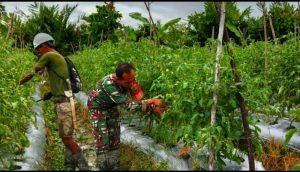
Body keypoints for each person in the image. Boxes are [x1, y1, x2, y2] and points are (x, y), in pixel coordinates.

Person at [18, 33, 89, 170]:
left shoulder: (49, 55)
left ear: (44, 46)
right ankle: (70, 165)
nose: (38, 52)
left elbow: (32, 72)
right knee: (67, 137)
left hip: (64, 104)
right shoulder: (58, 56)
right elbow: (62, 81)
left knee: (67, 139)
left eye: (38, 49)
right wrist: (51, 93)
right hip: (66, 101)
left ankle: (84, 167)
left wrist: (17, 84)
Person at [87, 62, 167, 170]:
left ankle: (115, 167)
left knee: (114, 140)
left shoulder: (130, 80)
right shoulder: (108, 85)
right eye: (128, 82)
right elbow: (129, 106)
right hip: (98, 109)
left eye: (132, 79)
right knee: (103, 143)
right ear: (119, 80)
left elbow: (139, 101)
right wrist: (152, 101)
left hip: (111, 107)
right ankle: (103, 167)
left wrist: (152, 109)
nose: (131, 83)